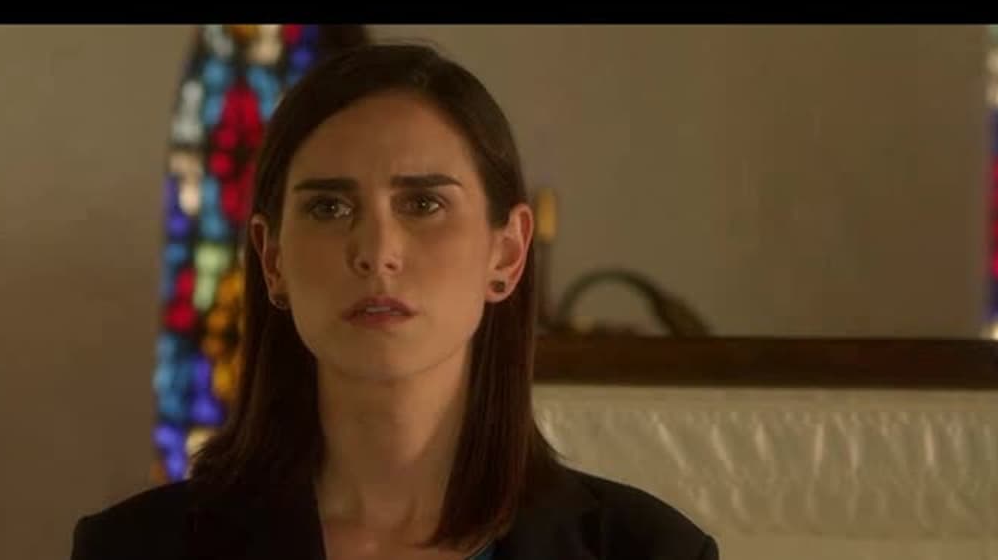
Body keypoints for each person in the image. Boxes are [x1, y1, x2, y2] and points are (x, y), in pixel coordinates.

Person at [70, 42, 717, 559]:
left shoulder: (647, 551)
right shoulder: (136, 549)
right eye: (329, 207)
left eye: (423, 203)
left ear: (507, 253)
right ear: (272, 260)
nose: (377, 251)